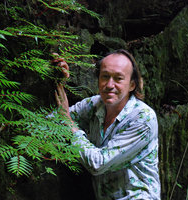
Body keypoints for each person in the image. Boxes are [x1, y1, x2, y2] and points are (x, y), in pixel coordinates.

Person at [54, 49, 161, 199]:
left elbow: (98, 164)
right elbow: (54, 119)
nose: (109, 85)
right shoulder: (94, 105)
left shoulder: (143, 118)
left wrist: (69, 123)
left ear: (131, 85)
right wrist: (57, 80)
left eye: (118, 78)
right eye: (105, 77)